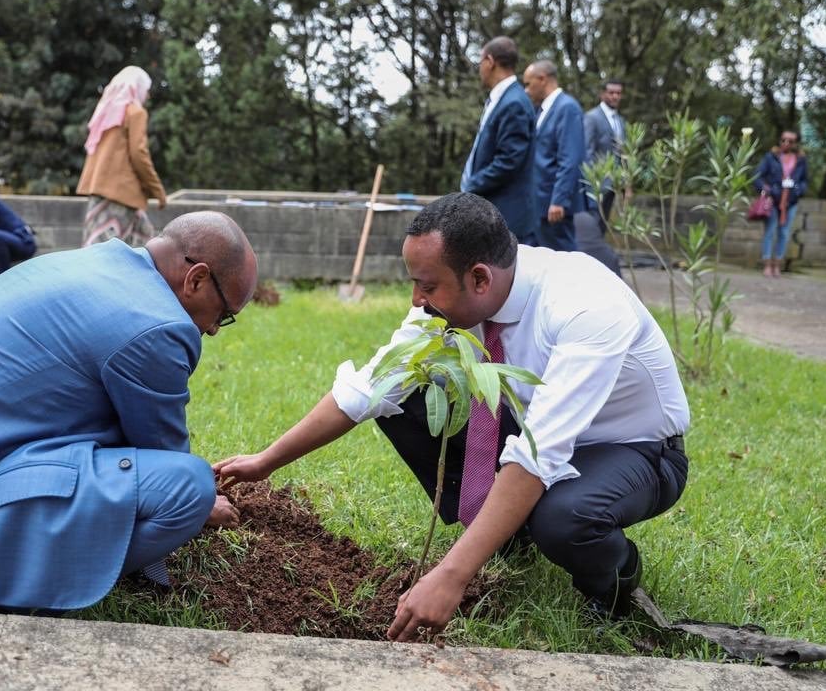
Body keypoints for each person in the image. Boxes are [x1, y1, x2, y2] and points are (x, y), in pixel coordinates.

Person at [215, 193, 689, 641]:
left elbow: (537, 455)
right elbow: (367, 388)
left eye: (427, 286)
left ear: (480, 278)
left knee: (564, 519)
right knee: (405, 400)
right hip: (535, 435)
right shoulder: (448, 303)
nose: (417, 300)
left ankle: (615, 574)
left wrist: (451, 576)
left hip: (635, 450)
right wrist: (266, 462)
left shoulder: (583, 306)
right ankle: (507, 537)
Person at [0, 211, 258, 613]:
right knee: (190, 488)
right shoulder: (159, 326)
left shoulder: (87, 262)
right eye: (224, 313)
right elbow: (164, 450)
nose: (215, 328)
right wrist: (205, 510)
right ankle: (0, 596)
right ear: (196, 278)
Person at [77, 66, 167, 247]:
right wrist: (158, 191)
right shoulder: (135, 113)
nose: (147, 96)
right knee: (130, 253)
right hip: (123, 196)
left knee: (97, 249)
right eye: (147, 90)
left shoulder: (105, 112)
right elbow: (139, 154)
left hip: (100, 192)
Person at [459, 37, 537, 244]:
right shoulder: (500, 99)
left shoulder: (514, 102)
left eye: (480, 62)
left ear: (490, 61)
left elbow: (509, 160)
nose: (479, 69)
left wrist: (471, 185)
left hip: (508, 215)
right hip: (496, 212)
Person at [521, 60, 586, 252]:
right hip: (537, 205)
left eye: (528, 83)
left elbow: (570, 158)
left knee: (562, 260)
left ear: (542, 79)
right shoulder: (541, 110)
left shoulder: (567, 108)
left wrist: (559, 200)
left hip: (553, 206)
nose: (526, 90)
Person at [754, 130, 808, 277]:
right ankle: (767, 264)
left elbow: (804, 181)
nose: (786, 143)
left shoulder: (801, 160)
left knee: (784, 233)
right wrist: (767, 190)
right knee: (770, 231)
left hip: (790, 201)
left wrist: (798, 191)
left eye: (790, 141)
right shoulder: (771, 157)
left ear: (795, 143)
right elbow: (757, 176)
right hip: (773, 200)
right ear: (780, 140)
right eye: (783, 140)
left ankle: (777, 265)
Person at [583, 79, 626, 231]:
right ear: (602, 94)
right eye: (611, 93)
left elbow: (622, 154)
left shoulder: (620, 121)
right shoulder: (592, 117)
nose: (615, 96)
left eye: (618, 93)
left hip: (613, 185)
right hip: (597, 185)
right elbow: (587, 152)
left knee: (603, 227)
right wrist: (591, 184)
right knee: (592, 229)